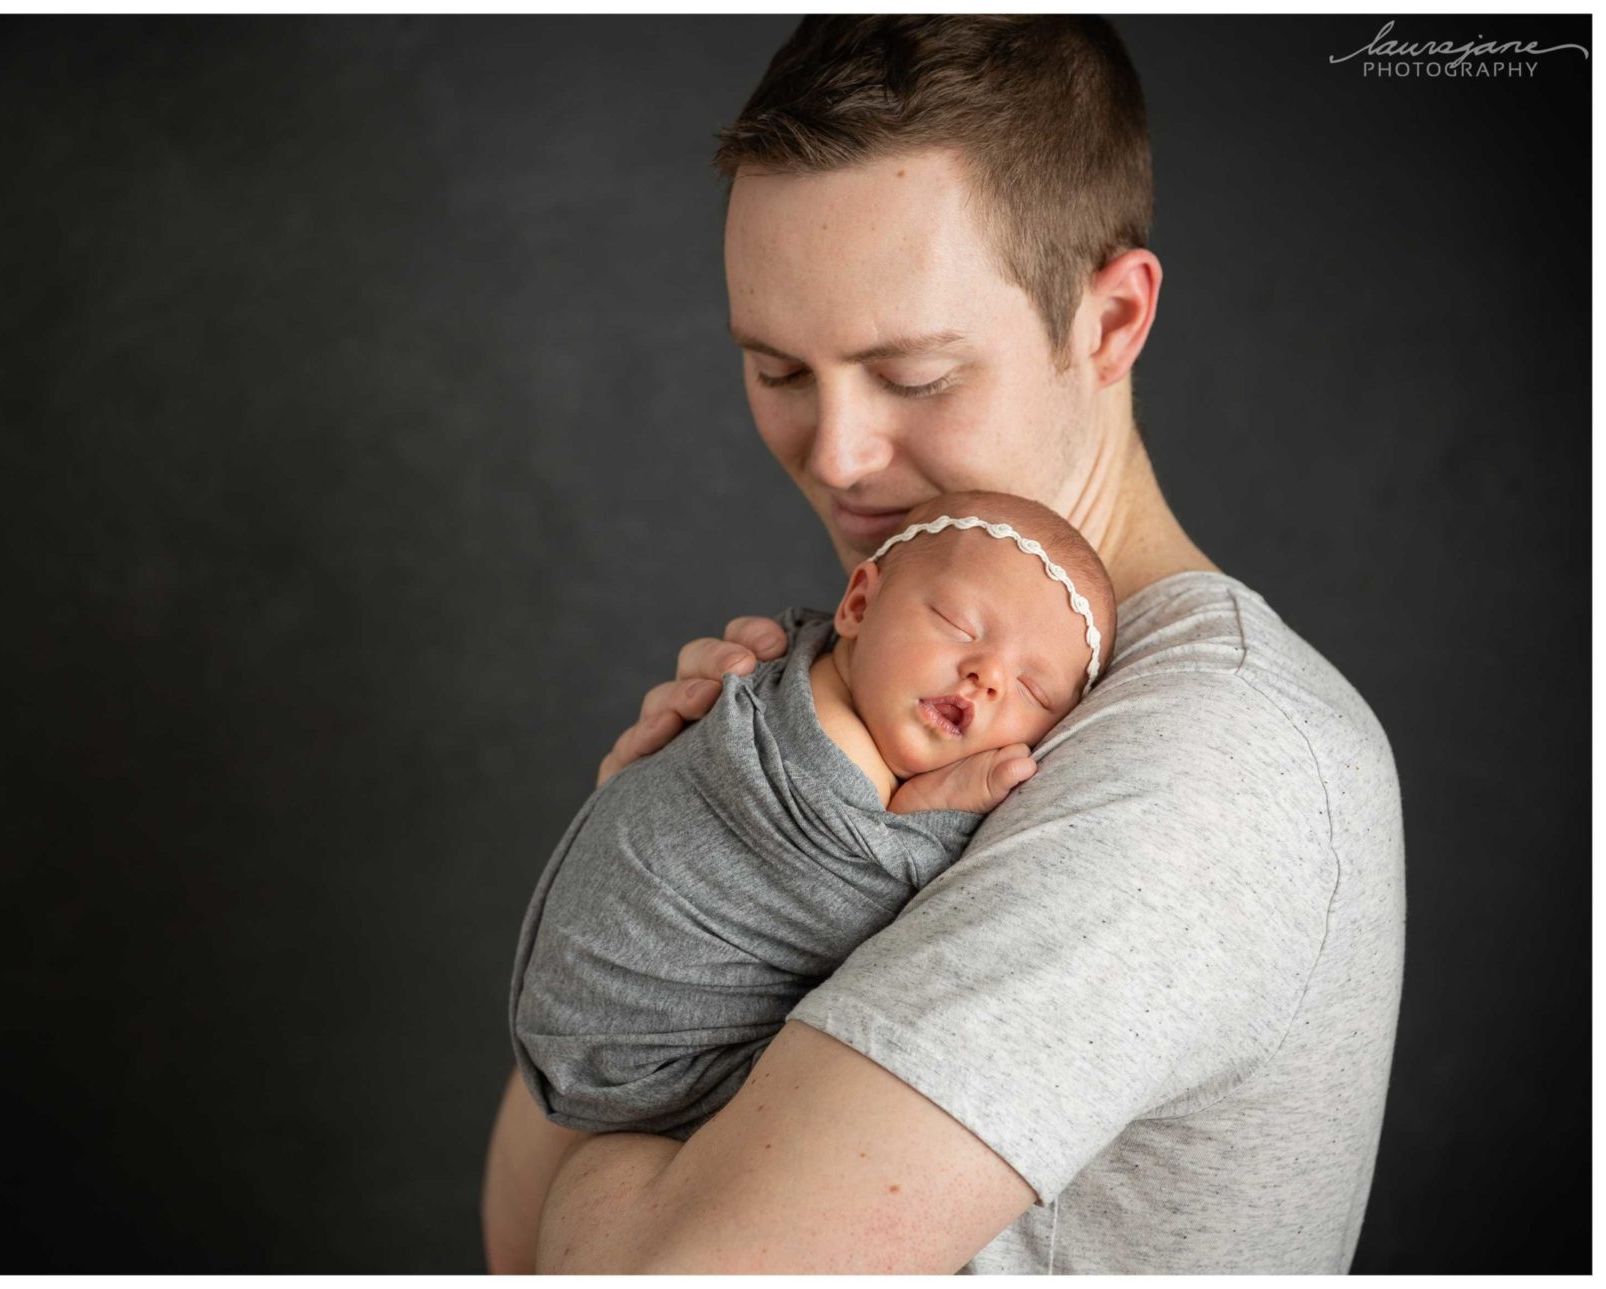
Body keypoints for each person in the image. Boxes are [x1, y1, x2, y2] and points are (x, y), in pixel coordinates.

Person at [481, 15, 1404, 1275]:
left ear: (1113, 320)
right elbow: (514, 1239)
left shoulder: (1214, 762)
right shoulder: (842, 695)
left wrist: (635, 1183)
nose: (837, 454)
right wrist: (662, 887)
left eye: (912, 375)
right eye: (777, 368)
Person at [510, 491, 1117, 1140]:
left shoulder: (805, 661)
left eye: (1032, 688)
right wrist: (935, 819)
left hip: (584, 1022)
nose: (987, 674)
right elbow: (891, 914)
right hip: (644, 1055)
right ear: (858, 604)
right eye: (959, 623)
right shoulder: (833, 752)